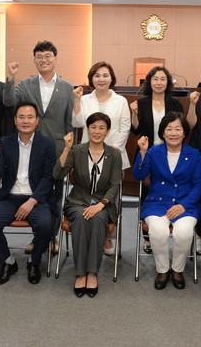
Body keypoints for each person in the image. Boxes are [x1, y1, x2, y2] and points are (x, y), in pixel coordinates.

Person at [3, 40, 74, 251]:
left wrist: (69, 149)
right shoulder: (25, 84)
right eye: (39, 57)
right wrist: (10, 78)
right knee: (35, 190)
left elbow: (70, 122)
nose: (44, 60)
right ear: (34, 60)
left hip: (57, 147)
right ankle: (38, 237)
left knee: (55, 194)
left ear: (55, 58)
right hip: (30, 147)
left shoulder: (67, 87)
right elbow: (9, 103)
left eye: (47, 56)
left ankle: (52, 237)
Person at [0, 101, 56, 285]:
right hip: (10, 197)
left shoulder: (47, 144)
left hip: (36, 198)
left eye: (30, 117)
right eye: (21, 117)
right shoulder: (5, 142)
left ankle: (34, 261)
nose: (26, 121)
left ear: (37, 120)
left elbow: (48, 178)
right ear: (15, 120)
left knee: (46, 226)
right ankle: (8, 261)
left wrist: (32, 201)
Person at [133, 112, 201, 290]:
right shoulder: (153, 152)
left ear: (184, 132)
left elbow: (198, 186)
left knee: (184, 233)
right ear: (162, 133)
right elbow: (139, 175)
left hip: (185, 204)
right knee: (158, 231)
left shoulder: (194, 154)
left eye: (178, 129)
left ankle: (177, 269)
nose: (173, 133)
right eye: (169, 129)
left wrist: (183, 206)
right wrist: (142, 152)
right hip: (157, 202)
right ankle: (163, 270)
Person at [55, 114, 123, 298]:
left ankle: (92, 273)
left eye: (101, 128)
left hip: (103, 203)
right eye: (93, 127)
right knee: (81, 218)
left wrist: (101, 204)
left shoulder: (114, 154)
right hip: (77, 201)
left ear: (108, 131)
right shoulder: (77, 150)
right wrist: (66, 148)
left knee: (98, 219)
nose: (97, 131)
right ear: (87, 129)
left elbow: (115, 185)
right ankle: (80, 273)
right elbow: (58, 174)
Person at [72, 61, 131, 255]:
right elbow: (77, 122)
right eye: (97, 75)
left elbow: (125, 128)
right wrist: (76, 101)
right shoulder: (85, 99)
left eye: (105, 75)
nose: (101, 79)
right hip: (88, 157)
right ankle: (88, 231)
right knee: (87, 195)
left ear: (111, 78)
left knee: (111, 200)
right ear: (91, 79)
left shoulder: (120, 101)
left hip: (114, 158)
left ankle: (106, 238)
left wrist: (112, 152)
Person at [130, 66, 184, 253]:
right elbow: (136, 130)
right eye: (155, 79)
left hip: (171, 153)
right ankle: (148, 238)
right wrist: (134, 114)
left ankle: (171, 227)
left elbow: (181, 128)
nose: (159, 83)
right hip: (148, 152)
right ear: (149, 82)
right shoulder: (142, 103)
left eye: (162, 79)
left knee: (170, 190)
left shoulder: (175, 103)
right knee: (147, 193)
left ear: (168, 82)